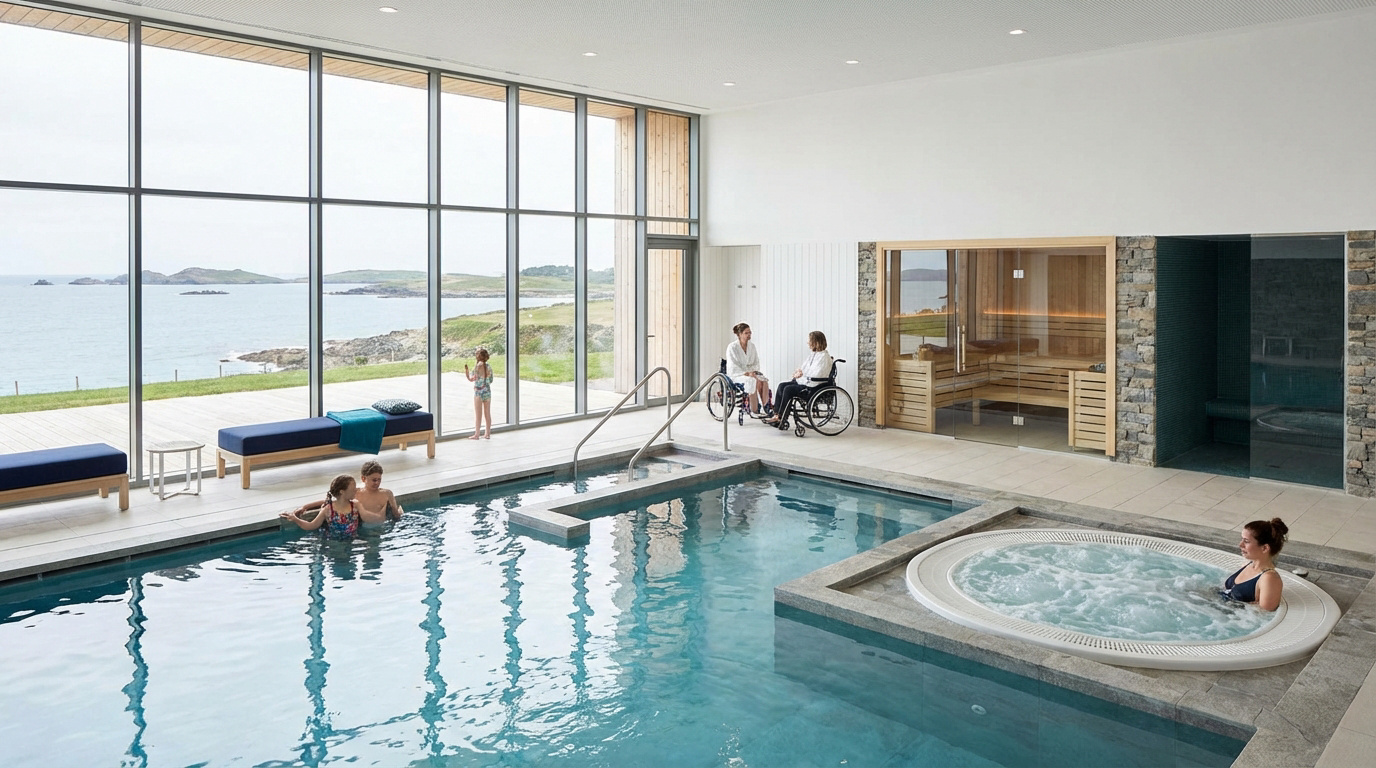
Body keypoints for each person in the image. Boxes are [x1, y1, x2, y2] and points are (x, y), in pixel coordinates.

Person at [289, 460, 403, 524]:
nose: (377, 483)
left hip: (380, 528)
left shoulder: (387, 493)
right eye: (374, 480)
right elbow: (332, 501)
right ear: (363, 479)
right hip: (360, 528)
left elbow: (395, 514)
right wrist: (305, 507)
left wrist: (398, 515)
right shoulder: (356, 493)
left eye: (379, 479)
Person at [763, 330, 834, 429]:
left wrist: (801, 375)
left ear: (816, 342)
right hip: (806, 382)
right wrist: (799, 372)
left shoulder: (824, 357)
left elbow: (817, 374)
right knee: (781, 385)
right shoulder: (813, 355)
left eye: (810, 340)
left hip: (814, 387)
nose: (808, 343)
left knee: (788, 389)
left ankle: (781, 417)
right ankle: (777, 415)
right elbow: (803, 368)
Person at [1220, 518, 1289, 611]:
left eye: (1246, 541)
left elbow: (1264, 614)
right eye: (1242, 539)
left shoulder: (1269, 579)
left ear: (1264, 548)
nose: (1240, 544)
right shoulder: (1247, 564)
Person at [280, 474, 364, 538]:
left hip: (352, 542)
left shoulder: (355, 505)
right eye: (353, 489)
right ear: (342, 492)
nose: (356, 490)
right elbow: (311, 525)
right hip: (334, 544)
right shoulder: (328, 509)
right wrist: (295, 519)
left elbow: (368, 517)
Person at [725, 322, 772, 415]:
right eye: (746, 333)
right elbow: (732, 365)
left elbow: (756, 362)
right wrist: (746, 373)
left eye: (750, 332)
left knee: (764, 380)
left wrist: (752, 371)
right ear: (740, 334)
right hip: (737, 374)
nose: (749, 335)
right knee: (752, 381)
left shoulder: (752, 346)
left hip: (751, 372)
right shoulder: (732, 347)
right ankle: (754, 409)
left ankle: (766, 406)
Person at [465, 347, 494, 440]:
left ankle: (477, 434)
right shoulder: (489, 366)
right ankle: (487, 433)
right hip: (487, 391)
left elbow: (472, 378)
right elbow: (491, 380)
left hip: (478, 392)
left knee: (478, 414)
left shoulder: (477, 366)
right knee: (487, 413)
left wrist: (467, 372)